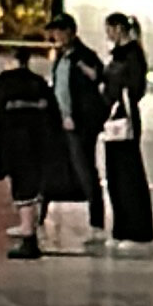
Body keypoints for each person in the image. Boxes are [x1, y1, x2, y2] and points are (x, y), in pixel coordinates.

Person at [0, 45, 67, 258]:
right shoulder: (39, 83)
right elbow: (53, 115)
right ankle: (29, 228)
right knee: (33, 185)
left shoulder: (0, 84)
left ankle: (28, 233)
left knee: (21, 187)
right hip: (39, 142)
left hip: (13, 142)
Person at [46, 15, 108, 240]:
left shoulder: (84, 57)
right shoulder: (62, 57)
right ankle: (40, 215)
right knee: (58, 167)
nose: (56, 36)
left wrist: (77, 118)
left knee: (86, 170)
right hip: (62, 122)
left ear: (71, 32)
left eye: (60, 32)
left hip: (80, 125)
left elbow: (94, 84)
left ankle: (97, 221)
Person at [100, 13, 153, 252]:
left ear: (119, 29)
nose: (108, 34)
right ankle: (121, 226)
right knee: (114, 174)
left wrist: (119, 100)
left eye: (110, 29)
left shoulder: (133, 55)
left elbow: (134, 88)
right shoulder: (118, 56)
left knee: (128, 173)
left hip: (125, 117)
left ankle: (137, 229)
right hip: (113, 118)